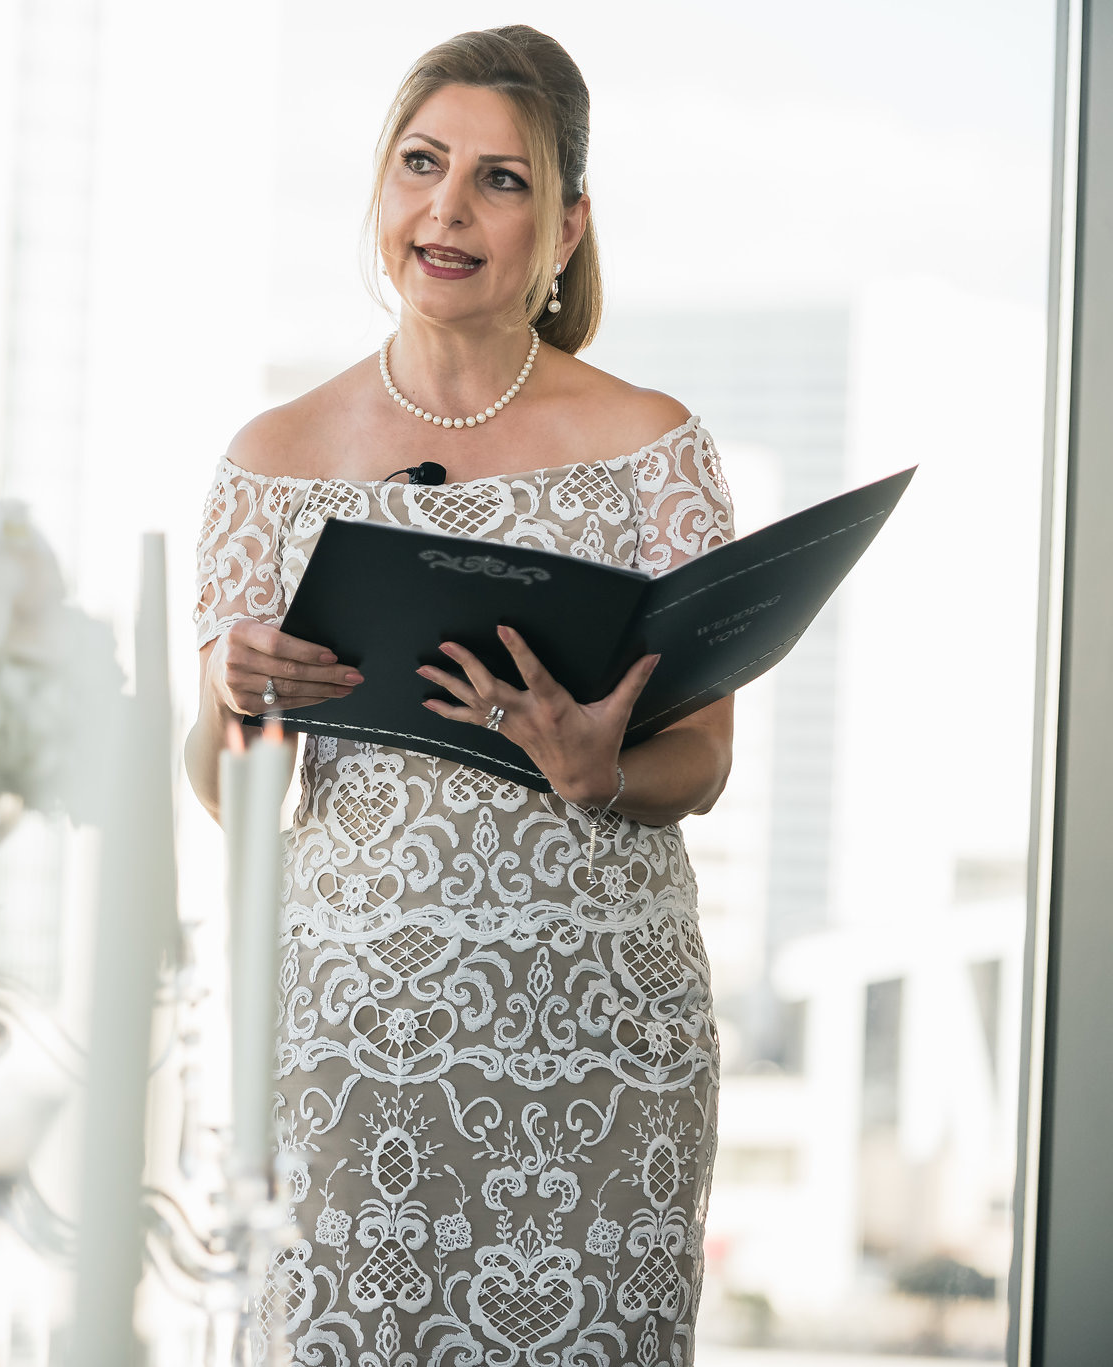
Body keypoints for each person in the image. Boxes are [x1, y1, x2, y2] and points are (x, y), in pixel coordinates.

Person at [186, 26, 734, 1366]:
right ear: (379, 190)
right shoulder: (273, 459)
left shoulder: (654, 446)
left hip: (605, 1042)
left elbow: (707, 761)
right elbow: (222, 787)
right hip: (346, 1041)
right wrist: (229, 694)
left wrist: (600, 767)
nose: (449, 209)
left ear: (566, 223)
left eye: (500, 179)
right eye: (421, 164)